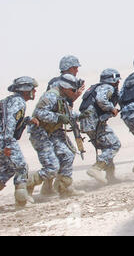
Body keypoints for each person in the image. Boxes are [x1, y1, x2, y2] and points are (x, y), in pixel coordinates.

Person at [27, 74, 85, 199]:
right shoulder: (51, 96)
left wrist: (79, 115)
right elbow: (40, 113)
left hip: (52, 131)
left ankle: (64, 187)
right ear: (64, 87)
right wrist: (57, 117)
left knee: (68, 154)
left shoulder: (62, 97)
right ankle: (27, 184)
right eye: (73, 90)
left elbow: (66, 113)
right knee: (52, 167)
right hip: (40, 133)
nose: (74, 93)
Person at [43, 55, 85, 194]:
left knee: (60, 155)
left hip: (57, 123)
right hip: (54, 124)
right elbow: (61, 105)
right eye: (75, 68)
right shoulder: (60, 83)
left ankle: (52, 187)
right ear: (69, 68)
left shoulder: (57, 81)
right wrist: (75, 96)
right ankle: (62, 187)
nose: (77, 71)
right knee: (66, 153)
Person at [0, 77, 39, 208]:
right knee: (21, 167)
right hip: (6, 139)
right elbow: (9, 123)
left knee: (9, 169)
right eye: (32, 88)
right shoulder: (18, 102)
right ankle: (21, 202)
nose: (34, 91)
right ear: (26, 90)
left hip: (3, 138)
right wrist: (7, 144)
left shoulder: (10, 100)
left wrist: (28, 120)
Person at [80, 69, 121, 184]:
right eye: (117, 80)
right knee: (114, 145)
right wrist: (111, 108)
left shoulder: (95, 87)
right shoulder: (107, 87)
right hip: (95, 123)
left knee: (106, 147)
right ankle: (96, 169)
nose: (118, 83)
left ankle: (110, 176)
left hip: (87, 123)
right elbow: (101, 100)